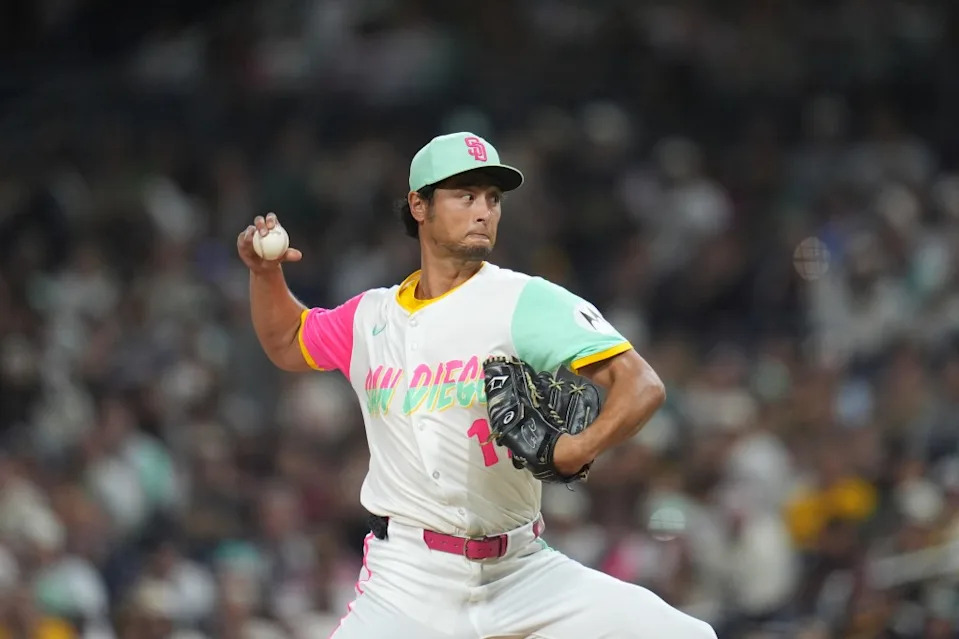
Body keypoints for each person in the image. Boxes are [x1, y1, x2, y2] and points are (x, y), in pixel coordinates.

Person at [237, 132, 717, 638]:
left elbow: (642, 384)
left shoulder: (522, 300)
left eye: (492, 198)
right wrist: (265, 275)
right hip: (407, 581)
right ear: (419, 206)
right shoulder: (369, 318)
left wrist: (579, 447)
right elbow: (288, 340)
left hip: (522, 571)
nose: (484, 210)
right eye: (465, 196)